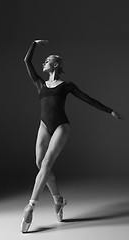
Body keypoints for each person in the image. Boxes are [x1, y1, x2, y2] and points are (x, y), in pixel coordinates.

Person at [21, 40, 123, 233]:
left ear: (56, 65)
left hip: (61, 126)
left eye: (47, 61)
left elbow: (88, 99)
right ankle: (58, 199)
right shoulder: (40, 84)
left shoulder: (66, 85)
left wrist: (110, 111)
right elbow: (27, 61)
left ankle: (30, 207)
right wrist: (34, 44)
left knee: (47, 163)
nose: (44, 62)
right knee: (39, 163)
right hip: (44, 125)